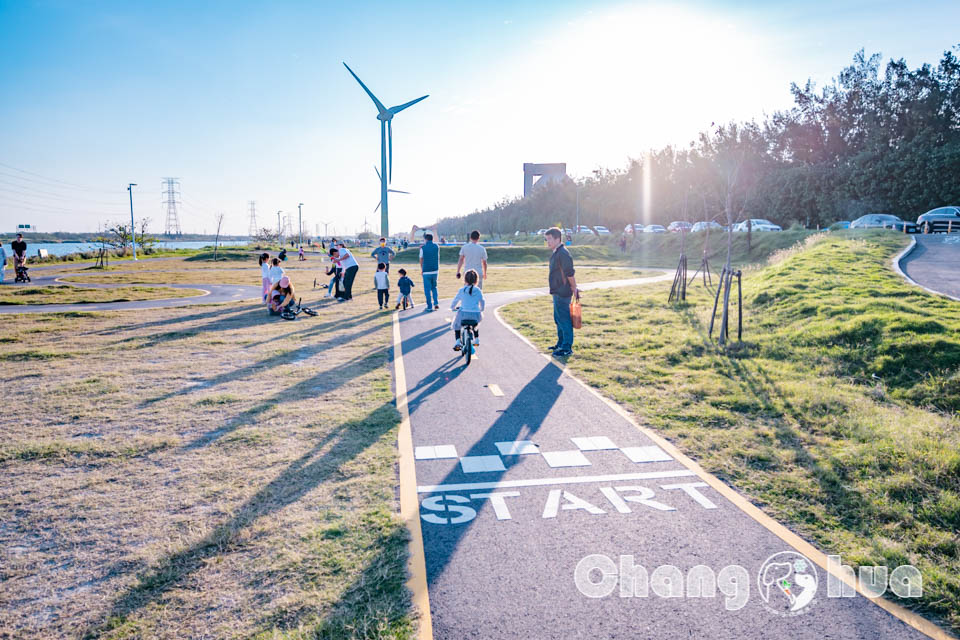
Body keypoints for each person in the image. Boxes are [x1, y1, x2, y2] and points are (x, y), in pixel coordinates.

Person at [545, 227, 580, 357]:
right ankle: (560, 344)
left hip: (563, 292)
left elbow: (570, 273)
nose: (547, 241)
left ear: (557, 239)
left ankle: (566, 347)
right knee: (558, 319)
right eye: (546, 239)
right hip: (556, 291)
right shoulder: (556, 252)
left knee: (564, 319)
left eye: (549, 239)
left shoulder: (563, 253)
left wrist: (574, 288)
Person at [450, 269, 485, 351]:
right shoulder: (478, 290)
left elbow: (455, 300)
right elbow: (482, 301)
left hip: (463, 314)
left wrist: (453, 308)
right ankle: (476, 339)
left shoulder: (461, 290)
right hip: (475, 314)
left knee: (456, 325)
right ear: (476, 280)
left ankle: (458, 342)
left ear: (465, 279)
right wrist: (481, 309)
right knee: (475, 325)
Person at [419, 232, 440, 310]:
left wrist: (422, 269)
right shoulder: (437, 246)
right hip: (435, 270)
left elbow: (421, 259)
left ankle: (429, 306)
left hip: (426, 270)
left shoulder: (423, 248)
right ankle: (436, 303)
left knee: (427, 289)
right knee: (434, 287)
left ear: (425, 239)